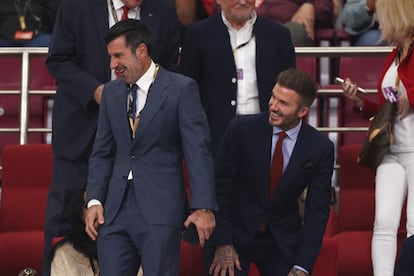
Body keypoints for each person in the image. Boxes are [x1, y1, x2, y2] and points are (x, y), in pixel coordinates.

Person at [42, 0, 180, 275]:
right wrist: (95, 91)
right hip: (81, 132)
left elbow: (169, 68)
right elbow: (57, 59)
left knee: (132, 226)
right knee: (61, 223)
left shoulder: (162, 8)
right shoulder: (76, 6)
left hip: (137, 137)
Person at [85, 19, 217, 276]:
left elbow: (198, 151)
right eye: (110, 57)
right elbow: (101, 152)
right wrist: (94, 199)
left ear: (142, 51)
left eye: (118, 56)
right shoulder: (111, 93)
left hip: (160, 208)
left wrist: (203, 207)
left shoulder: (181, 89)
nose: (113, 65)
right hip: (113, 211)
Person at [206, 68, 334, 276]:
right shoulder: (241, 130)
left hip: (280, 241)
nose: (273, 106)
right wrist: (223, 241)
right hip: (234, 234)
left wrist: (302, 266)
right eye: (273, 97)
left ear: (302, 111)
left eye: (283, 103)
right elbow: (218, 187)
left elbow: (317, 211)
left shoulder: (319, 148)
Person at [340, 0, 414, 274]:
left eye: (382, 18)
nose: (378, 25)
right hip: (391, 150)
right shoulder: (393, 54)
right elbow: (388, 108)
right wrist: (360, 101)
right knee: (383, 223)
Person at [179, 0, 296, 155]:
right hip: (214, 135)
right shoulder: (198, 34)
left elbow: (291, 87)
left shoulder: (279, 34)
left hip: (267, 131)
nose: (242, 1)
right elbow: (187, 88)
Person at [255, 0, 334, 47]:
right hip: (251, 27)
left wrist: (310, 6)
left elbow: (325, 9)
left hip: (286, 31)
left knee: (294, 31)